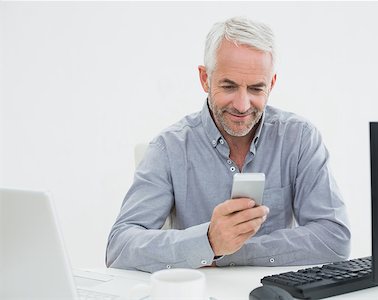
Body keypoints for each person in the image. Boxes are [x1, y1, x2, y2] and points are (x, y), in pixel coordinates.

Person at [106, 17, 351, 273]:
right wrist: (209, 240)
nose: (243, 105)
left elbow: (334, 238)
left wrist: (226, 251)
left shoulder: (300, 139)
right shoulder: (169, 148)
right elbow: (120, 247)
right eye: (229, 86)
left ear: (272, 84)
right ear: (205, 79)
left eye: (257, 89)